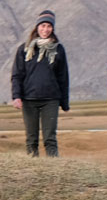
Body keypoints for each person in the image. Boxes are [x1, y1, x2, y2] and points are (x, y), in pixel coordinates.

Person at [10, 11, 69, 157]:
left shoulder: (58, 49)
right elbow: (17, 75)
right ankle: (33, 173)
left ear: (53, 29)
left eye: (49, 26)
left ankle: (55, 172)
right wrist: (16, 96)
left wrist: (64, 102)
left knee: (50, 138)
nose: (46, 29)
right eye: (43, 25)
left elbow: (63, 77)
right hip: (29, 99)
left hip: (51, 99)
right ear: (37, 27)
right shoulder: (24, 50)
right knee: (31, 139)